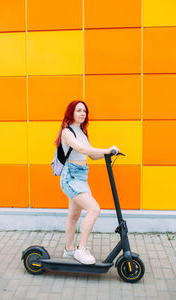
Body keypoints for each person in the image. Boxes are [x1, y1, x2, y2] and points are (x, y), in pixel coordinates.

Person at [54, 100, 120, 264]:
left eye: (84, 111)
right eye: (78, 110)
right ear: (71, 113)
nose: (82, 113)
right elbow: (82, 149)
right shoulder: (67, 132)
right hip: (71, 177)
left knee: (74, 216)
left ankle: (69, 251)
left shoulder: (83, 132)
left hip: (81, 176)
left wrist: (107, 153)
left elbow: (91, 155)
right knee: (94, 209)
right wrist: (106, 149)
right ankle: (80, 250)